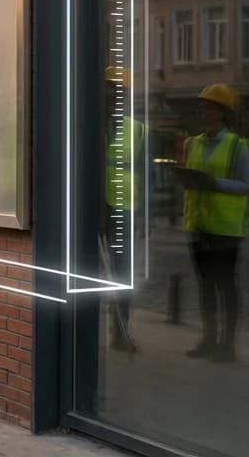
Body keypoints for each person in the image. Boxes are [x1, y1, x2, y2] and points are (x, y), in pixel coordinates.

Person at [175, 83, 249, 363]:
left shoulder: (238, 146)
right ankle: (208, 339)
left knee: (226, 286)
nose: (202, 112)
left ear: (222, 113)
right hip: (198, 225)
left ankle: (227, 344)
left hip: (226, 228)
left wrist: (213, 183)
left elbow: (247, 185)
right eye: (201, 107)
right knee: (205, 285)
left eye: (209, 108)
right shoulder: (191, 142)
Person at [101, 67, 147, 353]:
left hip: (123, 208)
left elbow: (146, 174)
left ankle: (120, 331)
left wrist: (143, 214)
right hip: (93, 206)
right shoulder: (88, 123)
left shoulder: (138, 130)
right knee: (88, 272)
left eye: (117, 91)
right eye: (107, 90)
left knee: (122, 274)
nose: (111, 96)